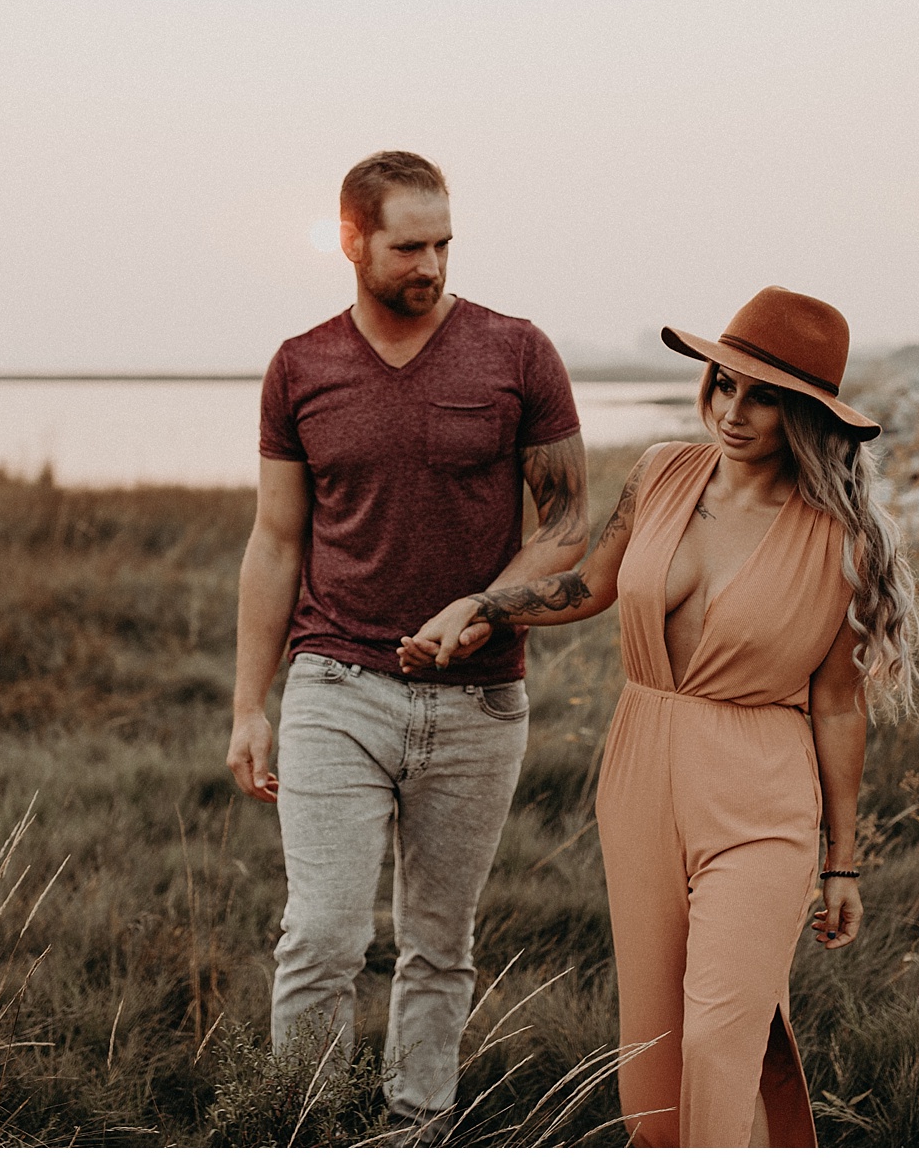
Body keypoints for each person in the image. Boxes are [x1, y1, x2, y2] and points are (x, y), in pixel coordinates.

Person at [401, 285, 919, 1147]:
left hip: (760, 794)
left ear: (807, 414)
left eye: (765, 396)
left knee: (722, 1036)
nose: (734, 409)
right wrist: (485, 605)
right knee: (653, 1048)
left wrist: (844, 861)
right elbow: (593, 584)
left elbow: (836, 704)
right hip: (640, 775)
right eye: (724, 383)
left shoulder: (842, 540)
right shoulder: (662, 472)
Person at [225, 150, 590, 1133]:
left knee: (439, 940)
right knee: (323, 933)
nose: (429, 263)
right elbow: (275, 539)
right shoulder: (300, 367)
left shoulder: (516, 352)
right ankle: (297, 1125)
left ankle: (413, 1126)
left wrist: (484, 604)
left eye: (441, 242)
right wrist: (247, 704)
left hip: (479, 702)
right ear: (350, 239)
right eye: (406, 244)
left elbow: (563, 524)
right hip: (335, 684)